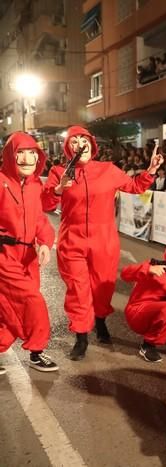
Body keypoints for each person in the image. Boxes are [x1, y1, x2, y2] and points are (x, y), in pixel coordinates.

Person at [42, 126, 163, 361]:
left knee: (102, 287)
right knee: (78, 289)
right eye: (74, 141)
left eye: (83, 139)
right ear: (69, 148)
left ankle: (100, 320)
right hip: (72, 240)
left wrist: (150, 170)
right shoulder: (59, 171)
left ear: (91, 145)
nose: (79, 144)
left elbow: (135, 186)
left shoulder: (108, 169)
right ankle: (81, 336)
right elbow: (46, 204)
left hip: (104, 240)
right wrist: (58, 189)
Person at [0, 132, 58, 373]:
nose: (26, 159)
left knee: (10, 308)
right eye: (20, 153)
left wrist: (45, 242)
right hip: (4, 254)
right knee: (32, 301)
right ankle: (37, 350)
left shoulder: (35, 184)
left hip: (29, 257)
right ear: (11, 156)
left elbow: (40, 219)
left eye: (32, 153)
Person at [120, 237, 166, 363]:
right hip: (137, 312)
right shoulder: (156, 266)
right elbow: (125, 274)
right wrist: (147, 269)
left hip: (158, 315)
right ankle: (148, 345)